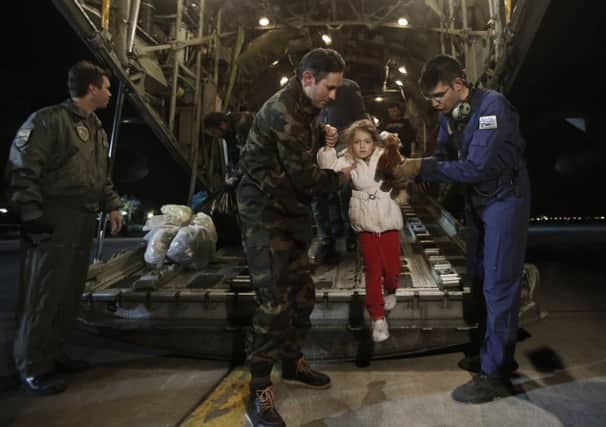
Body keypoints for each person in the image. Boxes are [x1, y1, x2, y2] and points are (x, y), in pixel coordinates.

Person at [383, 55, 530, 403]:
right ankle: (488, 351)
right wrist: (407, 164)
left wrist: (419, 169)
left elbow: (474, 166)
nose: (435, 104)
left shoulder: (492, 108)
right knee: (479, 278)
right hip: (479, 202)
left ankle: (496, 373)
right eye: (431, 99)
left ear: (458, 85)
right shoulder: (451, 116)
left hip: (504, 200)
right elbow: (446, 155)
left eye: (438, 96)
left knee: (498, 284)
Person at [236, 48, 353, 426]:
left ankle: (292, 363)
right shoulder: (282, 112)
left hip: (288, 210)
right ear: (307, 79)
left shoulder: (303, 108)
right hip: (265, 214)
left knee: (302, 295)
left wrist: (322, 131)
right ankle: (259, 393)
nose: (332, 96)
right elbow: (305, 179)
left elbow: (300, 144)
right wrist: (342, 177)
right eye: (329, 88)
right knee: (273, 303)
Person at [5, 60, 123, 395]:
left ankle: (54, 353)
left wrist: (111, 204)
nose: (110, 93)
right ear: (91, 89)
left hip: (83, 218)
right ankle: (31, 367)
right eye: (107, 87)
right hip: (55, 216)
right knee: (42, 294)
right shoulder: (48, 121)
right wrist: (30, 212)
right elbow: (22, 166)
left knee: (68, 293)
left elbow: (100, 176)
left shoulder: (96, 128)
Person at [317, 120, 403, 342]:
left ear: (374, 142)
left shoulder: (383, 155)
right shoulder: (347, 158)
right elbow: (328, 168)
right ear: (351, 144)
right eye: (357, 142)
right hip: (364, 222)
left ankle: (392, 290)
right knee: (373, 271)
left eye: (366, 141)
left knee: (391, 269)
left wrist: (393, 146)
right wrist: (328, 148)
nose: (362, 146)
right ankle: (377, 319)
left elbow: (401, 167)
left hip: (388, 219)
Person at [311, 78, 368, 263]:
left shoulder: (350, 88)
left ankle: (351, 233)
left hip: (344, 143)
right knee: (318, 190)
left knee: (345, 190)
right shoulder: (311, 88)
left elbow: (361, 118)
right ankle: (326, 239)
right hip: (318, 144)